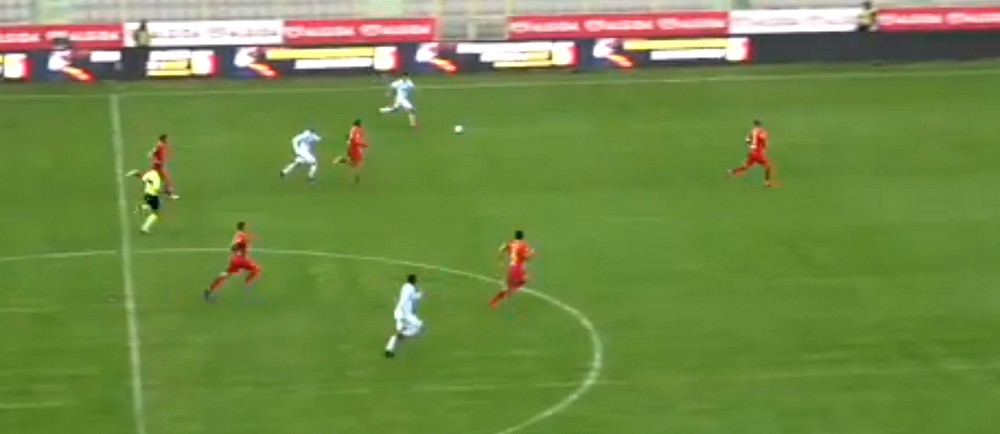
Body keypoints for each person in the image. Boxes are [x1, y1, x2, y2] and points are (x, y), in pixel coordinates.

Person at [204, 221, 262, 302]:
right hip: (241, 260)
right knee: (257, 269)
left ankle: (209, 291)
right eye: (246, 226)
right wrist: (238, 247)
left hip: (236, 259)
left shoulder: (238, 234)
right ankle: (247, 283)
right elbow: (236, 244)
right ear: (243, 227)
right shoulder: (241, 236)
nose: (247, 228)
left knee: (226, 274)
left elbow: (235, 245)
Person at [489, 230, 534, 309]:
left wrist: (501, 259)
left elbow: (501, 248)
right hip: (518, 268)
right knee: (522, 280)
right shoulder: (523, 245)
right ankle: (498, 298)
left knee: (519, 281)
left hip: (512, 267)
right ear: (522, 237)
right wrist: (532, 253)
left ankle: (497, 300)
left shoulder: (511, 243)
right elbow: (526, 257)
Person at [728, 120, 777, 188]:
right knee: (768, 166)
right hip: (758, 154)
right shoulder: (763, 132)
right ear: (760, 125)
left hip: (752, 153)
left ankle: (731, 172)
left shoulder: (752, 132)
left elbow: (747, 140)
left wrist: (750, 145)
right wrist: (764, 147)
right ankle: (767, 183)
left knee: (746, 167)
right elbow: (764, 142)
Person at [385, 274, 424, 358]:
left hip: (399, 311)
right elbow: (413, 296)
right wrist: (420, 294)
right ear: (414, 281)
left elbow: (409, 297)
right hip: (404, 314)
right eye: (416, 280)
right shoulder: (411, 288)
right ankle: (404, 334)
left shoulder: (405, 286)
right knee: (419, 326)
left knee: (397, 331)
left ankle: (388, 349)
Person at [124, 168, 162, 234]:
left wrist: (135, 173)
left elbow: (142, 177)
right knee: (155, 213)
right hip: (152, 196)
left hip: (146, 194)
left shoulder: (150, 173)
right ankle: (145, 228)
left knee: (155, 205)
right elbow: (157, 190)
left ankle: (142, 207)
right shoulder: (157, 179)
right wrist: (166, 192)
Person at [332, 119, 367, 184]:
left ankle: (356, 175)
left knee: (356, 163)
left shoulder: (353, 129)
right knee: (356, 163)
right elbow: (356, 140)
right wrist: (363, 144)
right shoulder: (357, 130)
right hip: (354, 148)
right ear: (359, 124)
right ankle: (342, 160)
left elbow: (351, 138)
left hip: (352, 147)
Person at [151, 134, 178, 199]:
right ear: (163, 139)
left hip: (160, 166)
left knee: (160, 180)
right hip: (159, 166)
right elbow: (152, 154)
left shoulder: (163, 145)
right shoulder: (159, 146)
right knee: (167, 181)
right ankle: (170, 194)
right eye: (166, 139)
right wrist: (156, 161)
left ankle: (167, 193)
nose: (168, 140)